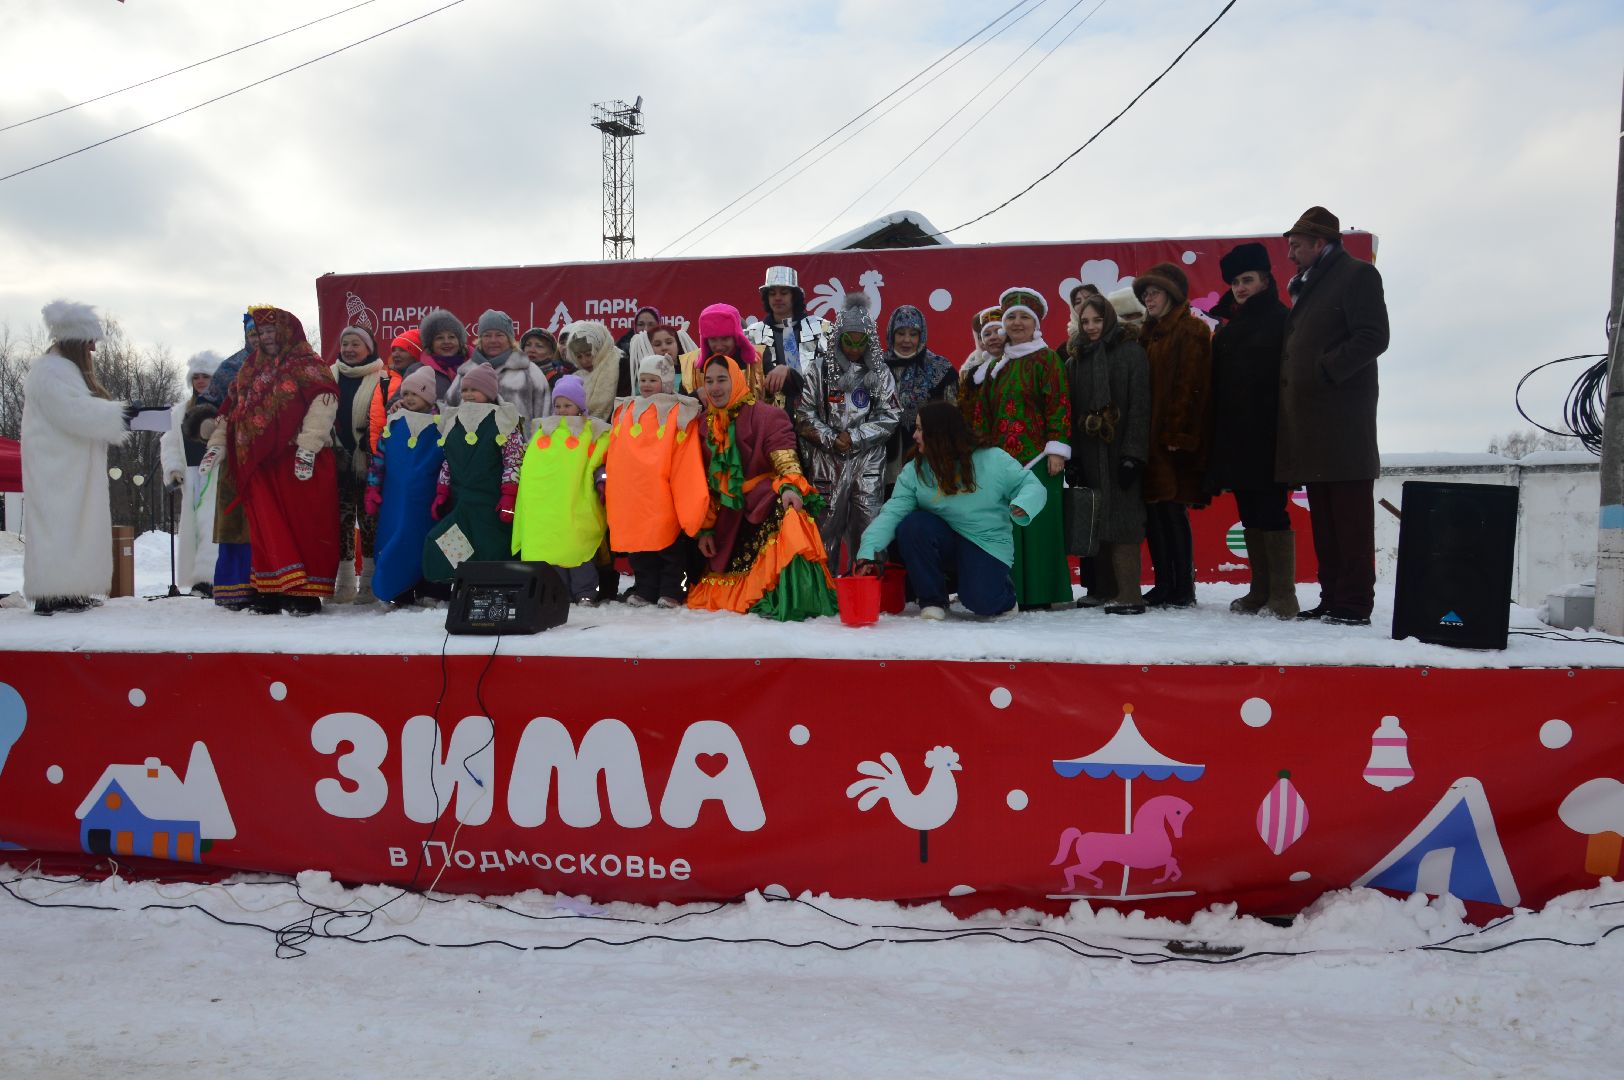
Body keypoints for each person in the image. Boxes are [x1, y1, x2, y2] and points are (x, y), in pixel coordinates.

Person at [1277, 206, 1389, 626]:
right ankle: (1331, 598)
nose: (1290, 254)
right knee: (1325, 520)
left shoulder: (1357, 275)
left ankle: (1355, 604)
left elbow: (1374, 336)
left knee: (1351, 522)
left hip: (1343, 424)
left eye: (1296, 246)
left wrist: (1326, 369)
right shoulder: (1309, 284)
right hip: (1314, 425)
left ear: (1320, 243)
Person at [201, 305, 339, 615]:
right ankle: (270, 588)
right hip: (260, 464)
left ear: (288, 332)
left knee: (303, 525)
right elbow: (231, 410)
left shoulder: (309, 365)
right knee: (265, 529)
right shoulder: (250, 370)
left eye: (271, 331)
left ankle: (305, 593)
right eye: (261, 332)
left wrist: (309, 445)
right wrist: (217, 445)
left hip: (299, 460)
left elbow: (324, 402)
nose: (266, 337)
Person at [855, 401, 1046, 620]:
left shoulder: (993, 459)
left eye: (919, 429)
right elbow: (892, 513)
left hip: (985, 542)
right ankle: (933, 600)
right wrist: (867, 551)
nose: (914, 435)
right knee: (912, 526)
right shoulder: (915, 470)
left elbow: (1032, 485)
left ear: (939, 434)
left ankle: (1003, 595)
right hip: (944, 540)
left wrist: (1024, 502)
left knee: (981, 603)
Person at [686, 355, 837, 620]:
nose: (715, 387)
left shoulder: (767, 415)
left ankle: (788, 600)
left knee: (791, 514)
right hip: (727, 514)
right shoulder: (702, 425)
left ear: (737, 380)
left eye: (722, 379)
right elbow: (704, 483)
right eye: (708, 381)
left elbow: (785, 456)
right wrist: (705, 528)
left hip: (762, 501)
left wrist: (790, 486)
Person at [1204, 242, 1297, 619]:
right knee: (1250, 513)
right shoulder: (1229, 327)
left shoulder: (1282, 319)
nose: (1240, 287)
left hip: (1271, 434)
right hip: (1236, 437)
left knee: (1272, 511)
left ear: (1265, 279)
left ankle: (1284, 596)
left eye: (1247, 280)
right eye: (1235, 282)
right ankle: (1260, 590)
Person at [21, 300, 132, 615]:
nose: (94, 349)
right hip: (55, 468)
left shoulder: (60, 370)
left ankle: (67, 589)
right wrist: (119, 414)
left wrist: (116, 413)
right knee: (59, 527)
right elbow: (72, 412)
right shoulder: (52, 371)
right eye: (90, 342)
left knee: (71, 526)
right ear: (77, 342)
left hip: (65, 465)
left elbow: (74, 411)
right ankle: (53, 592)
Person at [970, 287, 1072, 610]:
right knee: (1006, 529)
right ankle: (1009, 592)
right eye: (1010, 317)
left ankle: (1041, 594)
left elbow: (1059, 405)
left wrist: (1057, 449)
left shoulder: (1047, 359)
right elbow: (982, 411)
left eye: (1023, 317)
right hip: (1003, 463)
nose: (1016, 323)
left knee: (1039, 527)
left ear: (1035, 323)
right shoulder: (996, 365)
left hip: (1041, 459)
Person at [795, 294, 900, 572]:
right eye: (848, 341)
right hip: (826, 461)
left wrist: (854, 437)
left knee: (870, 526)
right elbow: (804, 415)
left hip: (867, 461)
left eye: (860, 341)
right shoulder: (818, 370)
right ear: (837, 337)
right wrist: (832, 438)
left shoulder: (880, 373)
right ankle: (823, 592)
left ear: (870, 341)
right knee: (824, 528)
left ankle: (868, 592)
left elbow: (891, 415)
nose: (854, 349)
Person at [1065, 294, 1151, 614]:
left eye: (1097, 320)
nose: (1091, 327)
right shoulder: (1075, 360)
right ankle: (1103, 589)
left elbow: (1141, 406)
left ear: (1110, 319)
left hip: (1121, 452)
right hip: (1089, 452)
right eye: (1085, 321)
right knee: (1095, 518)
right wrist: (1073, 457)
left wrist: (1133, 454)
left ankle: (1129, 593)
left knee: (1125, 519)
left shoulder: (1132, 353)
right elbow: (1070, 409)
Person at [1134, 261, 1212, 609]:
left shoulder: (1190, 330)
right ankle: (1165, 582)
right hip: (1148, 438)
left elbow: (1191, 386)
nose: (1148, 299)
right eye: (1145, 294)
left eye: (1154, 292)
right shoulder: (1147, 334)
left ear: (1172, 294)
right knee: (1155, 512)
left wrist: (1179, 433)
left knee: (1172, 510)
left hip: (1172, 437)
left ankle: (1183, 586)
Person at [605, 372, 709, 608]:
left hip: (663, 491)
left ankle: (672, 590)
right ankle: (645, 588)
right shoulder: (626, 410)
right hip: (637, 494)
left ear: (666, 382)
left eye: (653, 380)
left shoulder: (680, 410)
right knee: (640, 548)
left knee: (669, 547)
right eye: (642, 379)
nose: (646, 385)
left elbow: (685, 455)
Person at [512, 375, 611, 607]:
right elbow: (532, 464)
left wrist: (601, 480)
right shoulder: (544, 431)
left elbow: (599, 460)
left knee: (577, 545)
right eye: (558, 405)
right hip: (546, 503)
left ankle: (584, 591)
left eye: (568, 405)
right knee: (550, 548)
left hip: (577, 499)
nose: (562, 410)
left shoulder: (592, 431)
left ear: (580, 406)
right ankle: (559, 592)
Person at [422, 364, 524, 586]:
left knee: (493, 546)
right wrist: (442, 490)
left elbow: (513, 460)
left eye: (474, 390)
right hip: (462, 500)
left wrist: (509, 495)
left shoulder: (504, 419)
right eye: (464, 390)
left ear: (488, 393)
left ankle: (498, 585)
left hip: (491, 501)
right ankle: (468, 581)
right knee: (440, 539)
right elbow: (448, 460)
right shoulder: (453, 420)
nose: (467, 394)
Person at [364, 366, 444, 605]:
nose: (408, 399)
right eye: (405, 394)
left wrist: (444, 491)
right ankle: (398, 591)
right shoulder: (394, 422)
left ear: (428, 397)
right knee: (393, 539)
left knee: (423, 542)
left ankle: (429, 587)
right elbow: (379, 459)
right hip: (395, 499)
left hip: (426, 499)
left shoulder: (441, 424)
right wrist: (372, 488)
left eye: (415, 394)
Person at [331, 325, 390, 603]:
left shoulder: (383, 377)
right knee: (340, 520)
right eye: (345, 344)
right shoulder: (329, 376)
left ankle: (368, 582)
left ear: (369, 348)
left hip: (369, 457)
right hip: (335, 457)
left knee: (369, 520)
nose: (349, 350)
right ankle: (343, 582)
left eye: (356, 344)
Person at [160, 350, 223, 596]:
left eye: (205, 376)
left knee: (212, 524)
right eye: (195, 376)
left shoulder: (222, 407)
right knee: (193, 527)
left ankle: (212, 578)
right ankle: (197, 578)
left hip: (216, 472)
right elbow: (170, 443)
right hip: (191, 474)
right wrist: (174, 469)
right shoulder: (179, 412)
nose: (200, 381)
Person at [882, 304, 957, 489]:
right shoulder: (877, 367)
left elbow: (954, 416)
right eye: (900, 333)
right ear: (891, 334)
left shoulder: (940, 370)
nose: (906, 340)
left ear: (921, 335)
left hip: (927, 457)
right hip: (884, 461)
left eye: (913, 334)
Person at [745, 266, 827, 414]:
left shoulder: (820, 327)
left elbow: (831, 371)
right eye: (772, 293)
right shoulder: (752, 333)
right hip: (770, 418)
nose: (777, 298)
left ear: (794, 296)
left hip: (816, 416)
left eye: (784, 293)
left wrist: (789, 372)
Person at [448, 309, 552, 421]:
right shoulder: (465, 372)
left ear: (510, 339)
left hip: (521, 439)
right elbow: (448, 415)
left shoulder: (530, 372)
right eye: (487, 335)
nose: (493, 340)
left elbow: (545, 419)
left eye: (499, 335)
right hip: (469, 438)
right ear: (480, 339)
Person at [678, 303, 759, 395]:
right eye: (713, 339)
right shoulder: (691, 365)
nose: (719, 346)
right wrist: (696, 395)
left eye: (725, 338)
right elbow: (681, 403)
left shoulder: (759, 361)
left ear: (736, 337)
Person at [559, 321, 625, 421]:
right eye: (579, 356)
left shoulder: (622, 366)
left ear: (600, 347)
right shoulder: (577, 377)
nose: (584, 361)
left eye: (589, 354)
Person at [416, 309, 468, 402]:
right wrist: (399, 403)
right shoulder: (417, 370)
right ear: (430, 344)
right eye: (439, 338)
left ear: (459, 341)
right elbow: (396, 403)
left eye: (451, 337)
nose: (446, 342)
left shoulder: (476, 367)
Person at [958, 306, 1004, 399]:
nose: (992, 337)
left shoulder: (1026, 365)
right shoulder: (972, 372)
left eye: (999, 331)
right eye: (986, 334)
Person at [614, 306, 663, 391]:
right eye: (641, 324)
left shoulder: (667, 349)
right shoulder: (622, 353)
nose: (645, 329)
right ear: (635, 327)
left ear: (659, 325)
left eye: (651, 324)